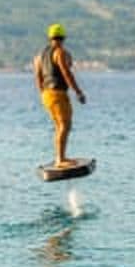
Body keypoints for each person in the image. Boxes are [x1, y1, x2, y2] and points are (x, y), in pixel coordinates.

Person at [33, 23, 86, 168]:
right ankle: (60, 159)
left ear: (50, 38)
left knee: (60, 126)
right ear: (63, 38)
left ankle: (60, 157)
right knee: (65, 125)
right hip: (57, 93)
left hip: (47, 94)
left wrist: (43, 93)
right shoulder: (60, 53)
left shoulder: (39, 56)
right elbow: (66, 73)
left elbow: (38, 77)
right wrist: (78, 92)